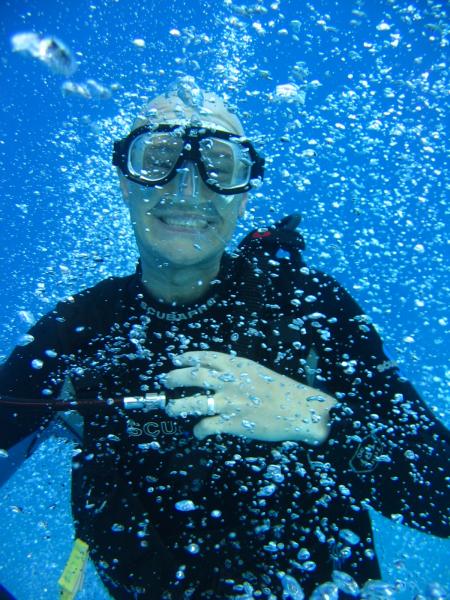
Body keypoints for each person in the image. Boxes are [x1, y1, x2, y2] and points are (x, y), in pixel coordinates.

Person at [0, 77, 448, 600]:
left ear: (243, 195)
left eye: (219, 166)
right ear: (125, 180)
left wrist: (319, 418)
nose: (187, 190)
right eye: (158, 157)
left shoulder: (306, 308)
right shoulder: (78, 331)